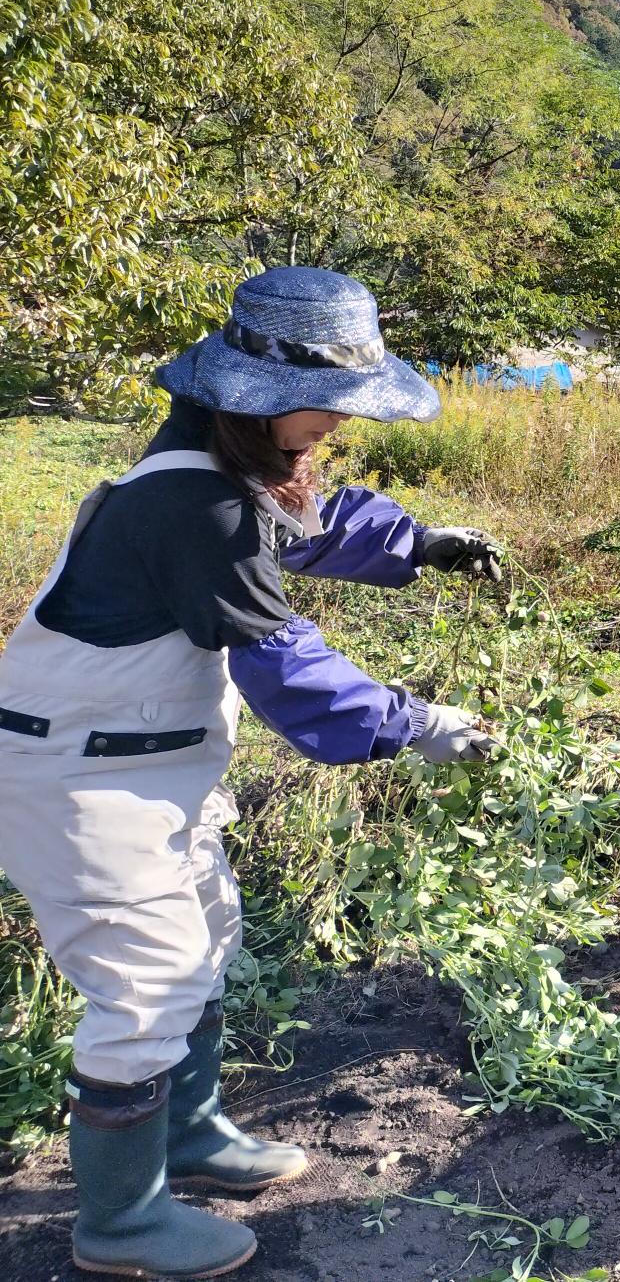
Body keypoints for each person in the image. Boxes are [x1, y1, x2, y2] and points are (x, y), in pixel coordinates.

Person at [0, 267, 503, 1279]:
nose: (332, 427)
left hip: (146, 764)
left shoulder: (215, 472)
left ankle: (190, 1137)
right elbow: (287, 668)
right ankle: (122, 1221)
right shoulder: (196, 505)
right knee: (150, 979)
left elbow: (307, 525)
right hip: (81, 778)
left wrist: (423, 543)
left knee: (208, 936)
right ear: (260, 400)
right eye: (328, 407)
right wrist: (416, 723)